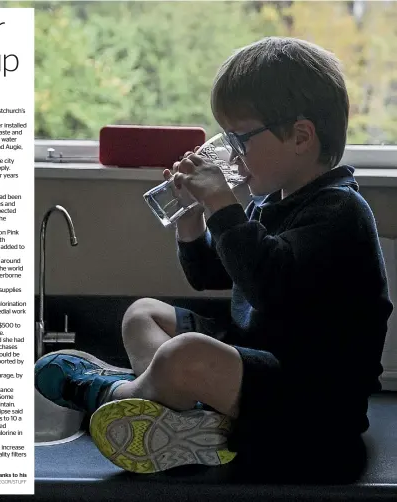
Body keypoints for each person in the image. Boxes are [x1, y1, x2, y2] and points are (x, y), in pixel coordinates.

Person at [35, 37, 393, 480]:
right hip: (259, 361)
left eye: (240, 139)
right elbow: (209, 275)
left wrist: (223, 203)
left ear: (300, 136)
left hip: (312, 403)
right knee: (142, 314)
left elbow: (268, 285)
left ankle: (113, 395)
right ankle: (183, 417)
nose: (234, 155)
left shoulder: (340, 211)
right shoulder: (271, 201)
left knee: (185, 353)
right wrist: (192, 219)